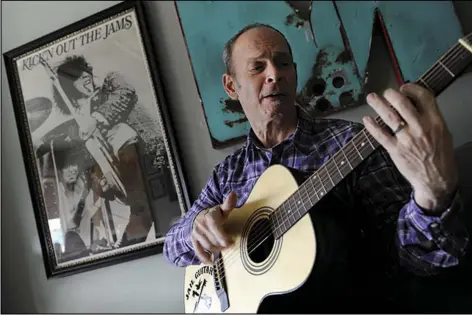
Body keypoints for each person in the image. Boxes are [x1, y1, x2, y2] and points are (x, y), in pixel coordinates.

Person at [163, 23, 471, 312]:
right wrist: (197, 227)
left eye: (283, 64)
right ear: (232, 85)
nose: (275, 74)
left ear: (294, 74)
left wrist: (433, 197)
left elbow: (415, 262)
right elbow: (172, 250)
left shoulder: (352, 142)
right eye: (258, 67)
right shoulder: (226, 175)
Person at [33, 55, 153, 248]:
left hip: (146, 156)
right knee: (140, 212)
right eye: (74, 80)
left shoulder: (111, 83)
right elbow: (87, 162)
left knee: (143, 209)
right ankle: (123, 249)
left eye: (82, 73)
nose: (83, 78)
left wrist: (96, 118)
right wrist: (100, 182)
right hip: (118, 175)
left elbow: (126, 92)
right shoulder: (77, 124)